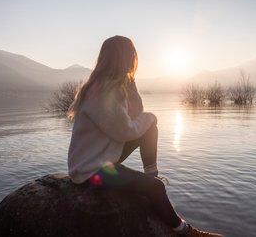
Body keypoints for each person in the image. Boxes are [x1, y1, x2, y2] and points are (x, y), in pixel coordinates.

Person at [67, 35, 223, 237]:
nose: (134, 60)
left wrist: (131, 86)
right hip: (90, 171)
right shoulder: (102, 92)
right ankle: (186, 233)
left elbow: (136, 115)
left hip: (101, 158)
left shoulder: (110, 85)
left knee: (149, 127)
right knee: (155, 188)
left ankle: (151, 173)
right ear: (123, 58)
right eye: (131, 55)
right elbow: (127, 131)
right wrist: (151, 117)